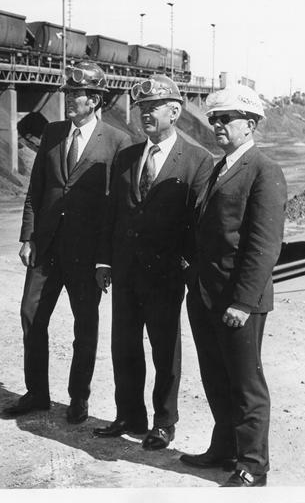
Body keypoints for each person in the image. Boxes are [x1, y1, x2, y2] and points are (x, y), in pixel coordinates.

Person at [3, 61, 132, 424]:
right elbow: (36, 189)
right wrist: (28, 236)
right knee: (31, 315)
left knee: (84, 327)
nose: (69, 101)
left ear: (94, 101)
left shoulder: (118, 142)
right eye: (69, 95)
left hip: (86, 255)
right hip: (46, 248)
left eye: (76, 96)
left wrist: (105, 259)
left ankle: (79, 398)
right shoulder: (53, 133)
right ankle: (36, 393)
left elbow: (116, 207)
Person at [93, 74, 213, 450]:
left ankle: (164, 422)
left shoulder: (197, 160)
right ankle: (129, 414)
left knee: (165, 350)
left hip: (164, 275)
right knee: (124, 346)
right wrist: (103, 261)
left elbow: (199, 223)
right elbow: (112, 212)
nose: (144, 114)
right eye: (141, 108)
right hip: (126, 271)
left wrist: (186, 266)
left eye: (152, 108)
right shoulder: (128, 154)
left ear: (175, 112)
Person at [180, 84, 286, 487]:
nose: (218, 125)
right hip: (206, 295)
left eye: (227, 119)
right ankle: (223, 448)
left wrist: (241, 302)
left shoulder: (263, 171)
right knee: (215, 378)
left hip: (238, 301)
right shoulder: (217, 167)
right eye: (214, 119)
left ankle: (253, 465)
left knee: (246, 385)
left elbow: (263, 246)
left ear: (251, 123)